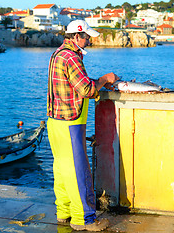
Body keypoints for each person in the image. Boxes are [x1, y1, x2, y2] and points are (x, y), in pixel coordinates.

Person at [47, 20, 119, 231]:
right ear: (77, 36)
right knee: (79, 171)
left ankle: (64, 212)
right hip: (72, 122)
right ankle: (84, 220)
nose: (89, 40)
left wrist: (98, 82)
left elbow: (75, 84)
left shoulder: (58, 54)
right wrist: (106, 78)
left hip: (55, 121)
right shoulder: (72, 57)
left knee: (61, 169)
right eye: (87, 37)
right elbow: (87, 90)